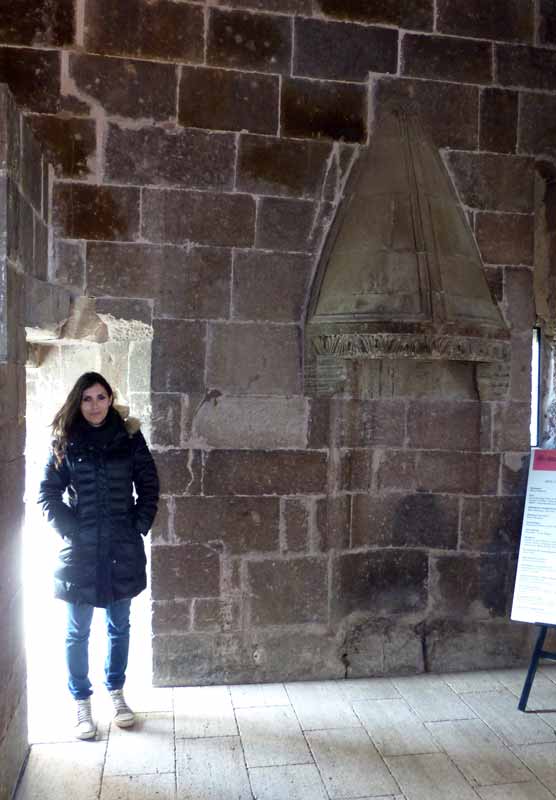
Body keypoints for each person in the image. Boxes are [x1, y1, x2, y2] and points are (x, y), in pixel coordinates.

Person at [38, 372, 159, 740]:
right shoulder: (65, 440)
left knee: (119, 625)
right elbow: (48, 494)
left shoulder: (129, 437)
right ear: (79, 402)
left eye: (101, 397)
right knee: (77, 630)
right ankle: (81, 702)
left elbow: (149, 484)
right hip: (82, 552)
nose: (94, 405)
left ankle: (117, 692)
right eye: (87, 398)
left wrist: (137, 525)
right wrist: (73, 531)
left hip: (122, 548)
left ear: (111, 399)